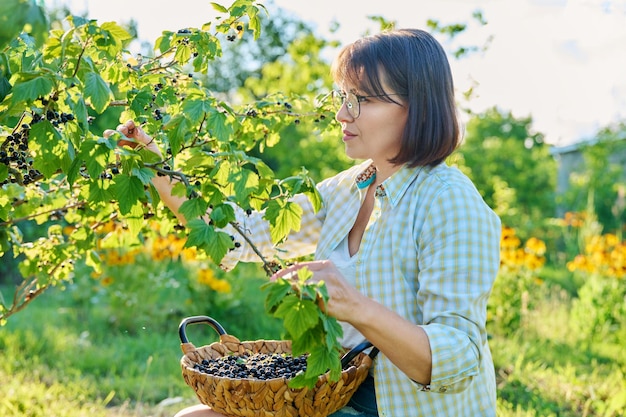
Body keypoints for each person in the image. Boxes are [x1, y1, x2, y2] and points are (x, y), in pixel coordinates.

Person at [106, 28, 501, 417]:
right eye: (343, 97)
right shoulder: (346, 190)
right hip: (337, 397)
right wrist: (157, 166)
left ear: (416, 107)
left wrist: (355, 307)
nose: (341, 114)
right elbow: (237, 237)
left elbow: (459, 358)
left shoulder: (449, 201)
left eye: (361, 99)